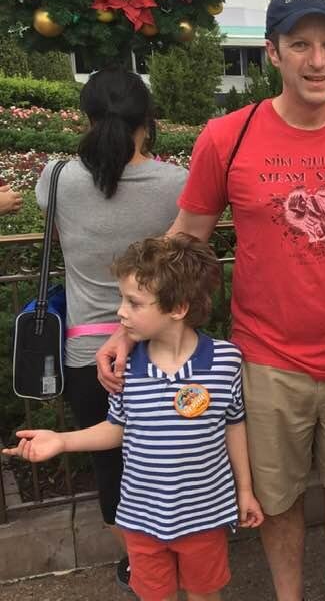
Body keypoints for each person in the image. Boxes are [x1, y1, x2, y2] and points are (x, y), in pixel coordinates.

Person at [96, 0, 325, 601]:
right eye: (300, 44)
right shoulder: (229, 136)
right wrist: (128, 325)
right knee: (278, 501)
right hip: (266, 359)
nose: (317, 60)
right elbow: (184, 238)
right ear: (272, 52)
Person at [5, 234, 264, 601]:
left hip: (205, 516)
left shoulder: (225, 362)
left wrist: (245, 491)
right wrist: (62, 440)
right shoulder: (125, 368)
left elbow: (234, 425)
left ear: (178, 308)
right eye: (122, 299)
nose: (120, 312)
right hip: (141, 518)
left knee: (205, 594)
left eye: (134, 302)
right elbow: (117, 428)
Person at [35, 67, 187, 589]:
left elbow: (63, 233)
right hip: (165, 346)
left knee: (111, 463)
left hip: (88, 353)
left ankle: (139, 563)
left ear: (87, 117)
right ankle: (184, 548)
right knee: (175, 456)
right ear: (148, 120)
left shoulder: (56, 178)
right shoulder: (176, 185)